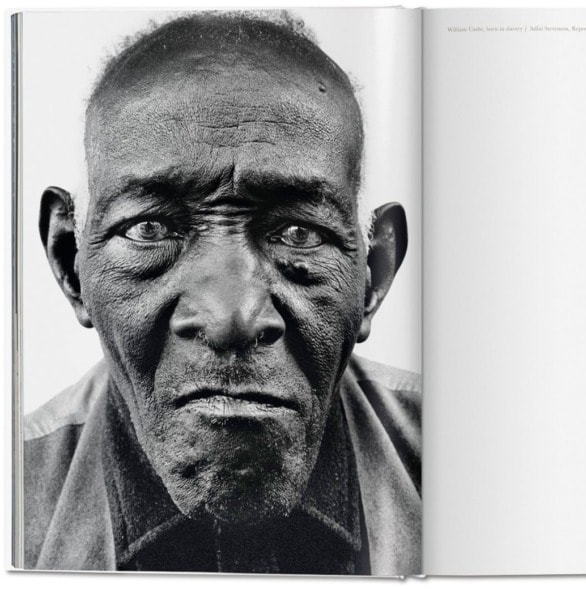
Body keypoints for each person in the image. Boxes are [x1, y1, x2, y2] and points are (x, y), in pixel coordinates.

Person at [24, 12, 421, 574]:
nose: (231, 317)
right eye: (150, 229)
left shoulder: (488, 477)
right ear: (71, 263)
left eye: (299, 233)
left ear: (374, 275)